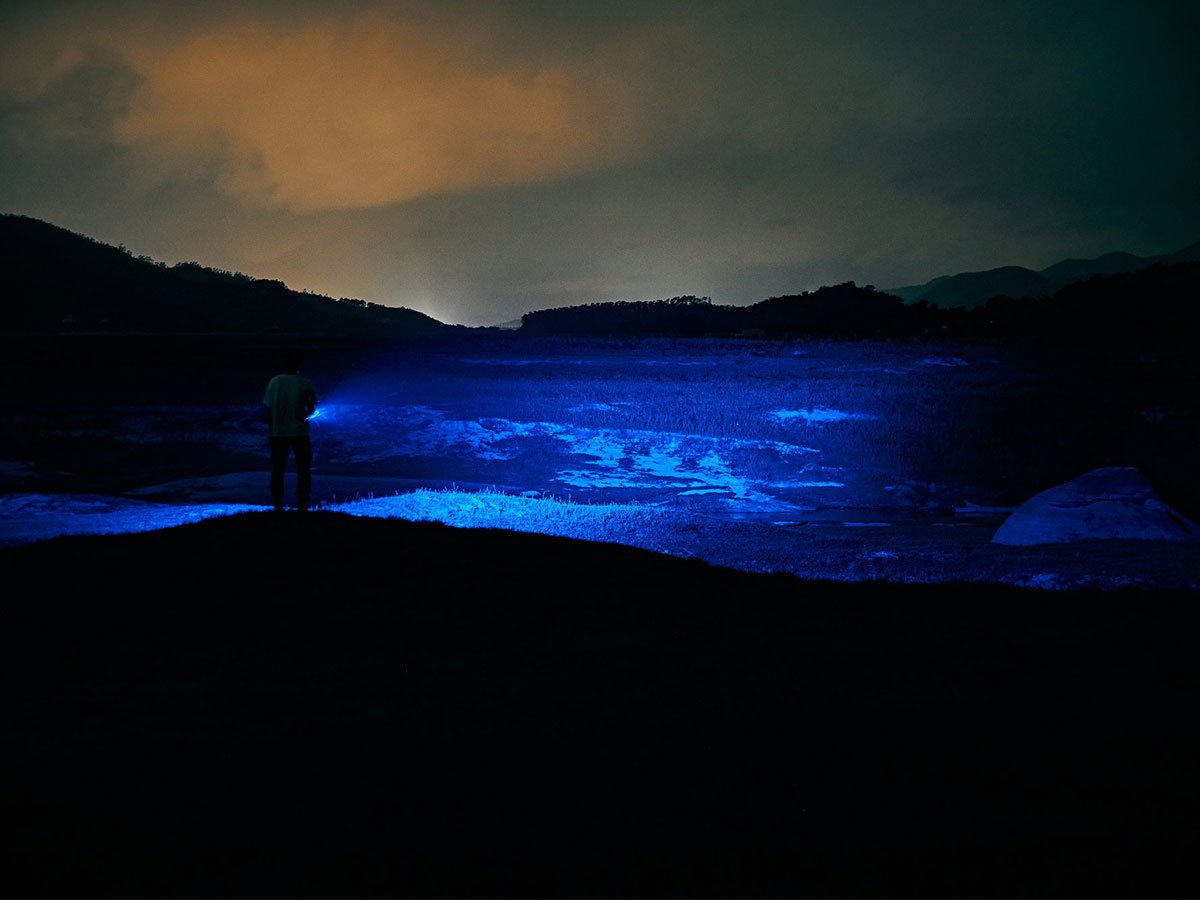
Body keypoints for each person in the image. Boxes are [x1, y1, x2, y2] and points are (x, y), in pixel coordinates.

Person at [263, 348, 317, 512]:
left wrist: (272, 430)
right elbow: (311, 410)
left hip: (278, 433)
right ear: (299, 363)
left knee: (278, 469)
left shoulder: (274, 382)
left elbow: (268, 408)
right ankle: (302, 503)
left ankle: (278, 504)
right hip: (300, 432)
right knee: (303, 469)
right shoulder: (305, 383)